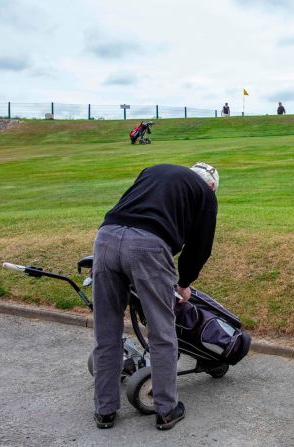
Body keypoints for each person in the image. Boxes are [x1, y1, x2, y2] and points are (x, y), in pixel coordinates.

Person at [91, 162, 219, 430]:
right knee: (162, 332)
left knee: (106, 332)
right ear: (211, 185)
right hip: (148, 246)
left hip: (105, 238)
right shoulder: (206, 193)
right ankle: (166, 410)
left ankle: (105, 411)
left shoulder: (154, 170)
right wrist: (184, 282)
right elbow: (200, 246)